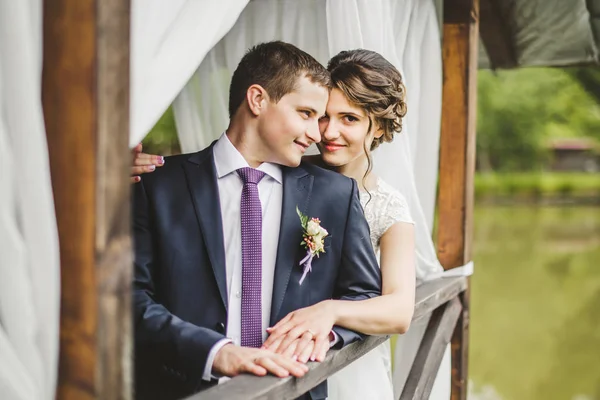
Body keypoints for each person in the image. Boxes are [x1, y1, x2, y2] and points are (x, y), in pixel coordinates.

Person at [135, 48, 416, 400]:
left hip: (307, 379)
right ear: (257, 100)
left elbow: (379, 300)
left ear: (376, 127)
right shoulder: (158, 184)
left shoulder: (336, 195)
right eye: (312, 114)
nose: (321, 132)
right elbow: (129, 297)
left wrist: (325, 323)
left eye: (348, 119)